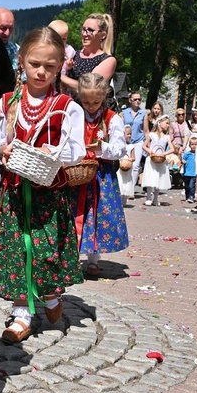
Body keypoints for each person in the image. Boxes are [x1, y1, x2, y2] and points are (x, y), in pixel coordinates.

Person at [0, 27, 85, 344]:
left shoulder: (66, 106)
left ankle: (49, 295)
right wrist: (1, 151)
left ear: (60, 64)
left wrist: (55, 153)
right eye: (35, 64)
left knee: (45, 253)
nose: (41, 71)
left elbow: (77, 149)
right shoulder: (8, 102)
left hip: (48, 195)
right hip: (16, 193)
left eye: (49, 65)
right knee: (17, 253)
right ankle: (22, 314)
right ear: (22, 61)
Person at [73, 72, 127, 275]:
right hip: (77, 172)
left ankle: (94, 259)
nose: (90, 106)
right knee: (76, 213)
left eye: (95, 101)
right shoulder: (75, 114)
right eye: (86, 101)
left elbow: (120, 148)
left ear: (104, 97)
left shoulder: (111, 119)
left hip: (100, 176)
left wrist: (101, 147)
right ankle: (73, 256)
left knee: (95, 215)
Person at [62, 13, 117, 102]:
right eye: (83, 29)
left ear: (103, 35)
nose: (84, 34)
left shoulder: (108, 61)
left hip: (95, 114)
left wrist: (58, 77)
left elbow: (88, 88)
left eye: (90, 30)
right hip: (71, 110)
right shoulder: (73, 54)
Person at [141, 115, 173, 206]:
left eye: (168, 124)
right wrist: (150, 151)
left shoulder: (166, 137)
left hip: (160, 160)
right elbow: (144, 146)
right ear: (159, 123)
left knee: (159, 178)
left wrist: (164, 154)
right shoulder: (152, 135)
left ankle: (156, 198)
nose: (167, 125)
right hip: (152, 159)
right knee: (151, 177)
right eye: (166, 123)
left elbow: (172, 149)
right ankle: (148, 197)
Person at [121, 92, 146, 188]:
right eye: (135, 99)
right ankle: (123, 186)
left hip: (138, 141)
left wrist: (146, 142)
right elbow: (121, 128)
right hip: (126, 142)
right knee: (125, 163)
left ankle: (131, 187)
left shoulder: (143, 113)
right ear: (130, 100)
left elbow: (146, 130)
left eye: (139, 99)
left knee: (135, 165)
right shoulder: (124, 112)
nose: (137, 101)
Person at [48, 19, 76, 84]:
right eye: (57, 38)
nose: (60, 42)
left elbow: (72, 68)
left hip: (62, 84)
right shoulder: (46, 49)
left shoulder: (69, 50)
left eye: (63, 39)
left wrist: (69, 66)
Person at [117, 125, 135, 206]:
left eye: (130, 134)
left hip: (128, 167)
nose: (129, 136)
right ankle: (119, 198)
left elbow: (134, 157)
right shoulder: (120, 146)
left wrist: (131, 159)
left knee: (127, 182)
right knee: (120, 181)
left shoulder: (131, 146)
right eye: (128, 134)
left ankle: (125, 199)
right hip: (120, 167)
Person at [182, 137, 197, 203]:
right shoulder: (187, 154)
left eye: (195, 144)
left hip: (194, 173)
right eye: (192, 144)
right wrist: (183, 161)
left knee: (191, 185)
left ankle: (191, 196)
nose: (194, 146)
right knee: (186, 186)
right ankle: (187, 196)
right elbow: (182, 160)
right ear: (189, 145)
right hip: (186, 173)